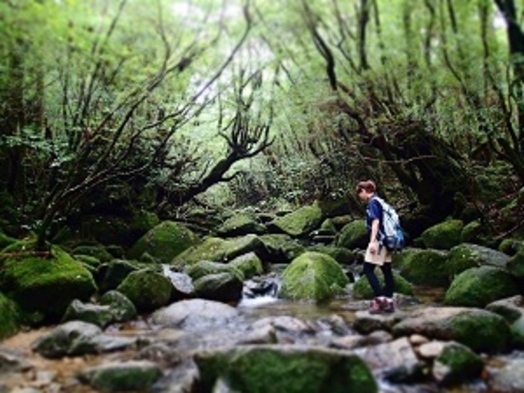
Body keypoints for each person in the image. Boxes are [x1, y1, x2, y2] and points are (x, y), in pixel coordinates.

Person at [355, 180, 395, 314]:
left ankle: (380, 299)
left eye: (359, 193)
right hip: (389, 240)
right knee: (386, 270)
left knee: (368, 269)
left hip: (379, 241)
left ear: (364, 191)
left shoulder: (372, 202)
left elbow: (376, 222)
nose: (359, 197)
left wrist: (372, 242)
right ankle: (389, 302)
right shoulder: (380, 201)